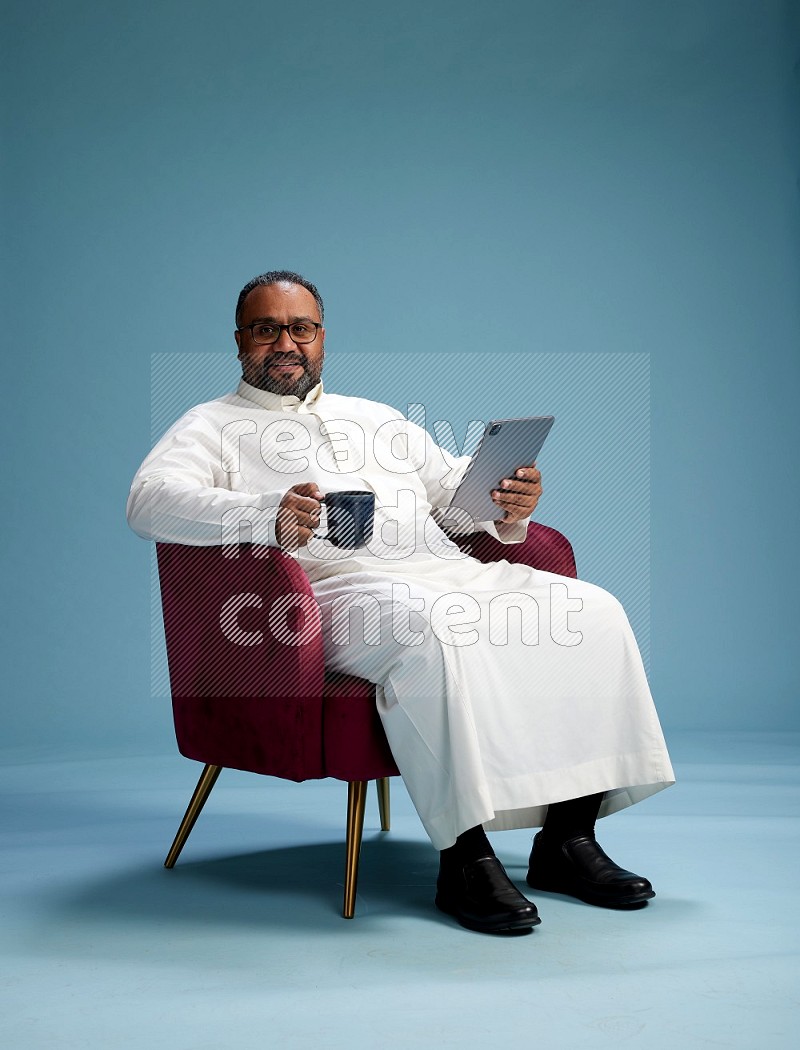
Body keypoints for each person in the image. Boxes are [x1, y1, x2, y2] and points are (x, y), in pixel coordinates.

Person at [127, 270, 675, 934]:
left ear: (322, 337)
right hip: (327, 596)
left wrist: (508, 505)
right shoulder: (210, 425)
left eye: (301, 328)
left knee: (591, 613)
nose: (286, 342)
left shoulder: (376, 418)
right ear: (240, 341)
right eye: (267, 328)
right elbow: (148, 501)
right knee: (433, 632)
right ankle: (465, 856)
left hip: (439, 569)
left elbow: (456, 497)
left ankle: (568, 839)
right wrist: (265, 513)